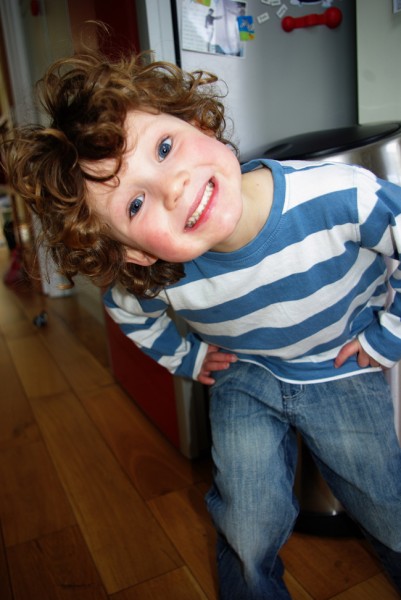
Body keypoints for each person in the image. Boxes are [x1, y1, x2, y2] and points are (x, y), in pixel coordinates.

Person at [2, 48, 401, 599]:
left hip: (338, 368)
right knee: (246, 524)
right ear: (137, 253)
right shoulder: (155, 274)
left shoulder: (338, 194)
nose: (172, 187)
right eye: (135, 205)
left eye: (164, 148)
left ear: (197, 122)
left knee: (387, 509)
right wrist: (188, 358)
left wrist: (390, 333)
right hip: (244, 377)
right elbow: (128, 311)